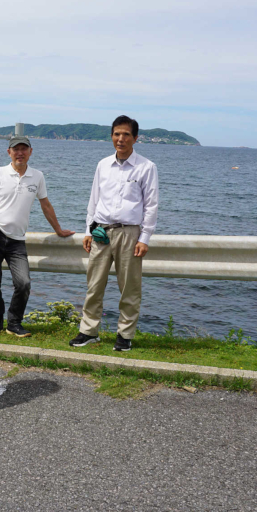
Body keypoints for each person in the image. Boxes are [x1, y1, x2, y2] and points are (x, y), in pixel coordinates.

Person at [70, 115, 158, 352]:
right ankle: (89, 331)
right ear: (111, 136)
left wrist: (144, 238)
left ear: (135, 138)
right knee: (94, 285)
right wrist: (88, 231)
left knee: (129, 287)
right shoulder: (103, 165)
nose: (121, 139)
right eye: (117, 134)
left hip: (130, 233)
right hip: (101, 231)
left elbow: (151, 205)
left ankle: (125, 335)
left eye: (126, 134)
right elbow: (94, 200)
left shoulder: (146, 167)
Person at [0, 136, 74, 337]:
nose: (19, 153)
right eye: (16, 149)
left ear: (30, 152)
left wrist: (58, 230)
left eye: (24, 149)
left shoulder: (37, 176)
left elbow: (45, 205)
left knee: (23, 283)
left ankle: (14, 323)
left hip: (17, 240)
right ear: (9, 152)